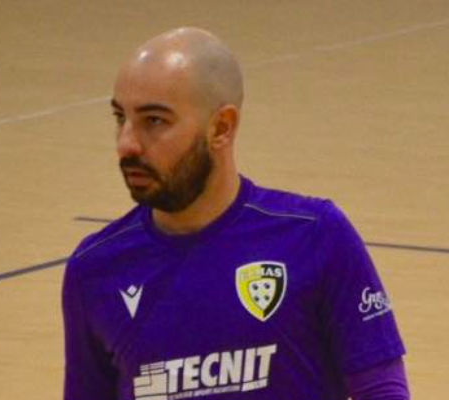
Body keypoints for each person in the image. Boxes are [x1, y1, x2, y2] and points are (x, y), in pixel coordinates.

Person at [62, 27, 410, 400]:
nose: (127, 144)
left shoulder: (316, 235)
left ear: (221, 127)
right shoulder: (94, 270)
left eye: (154, 121)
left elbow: (382, 390)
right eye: (120, 118)